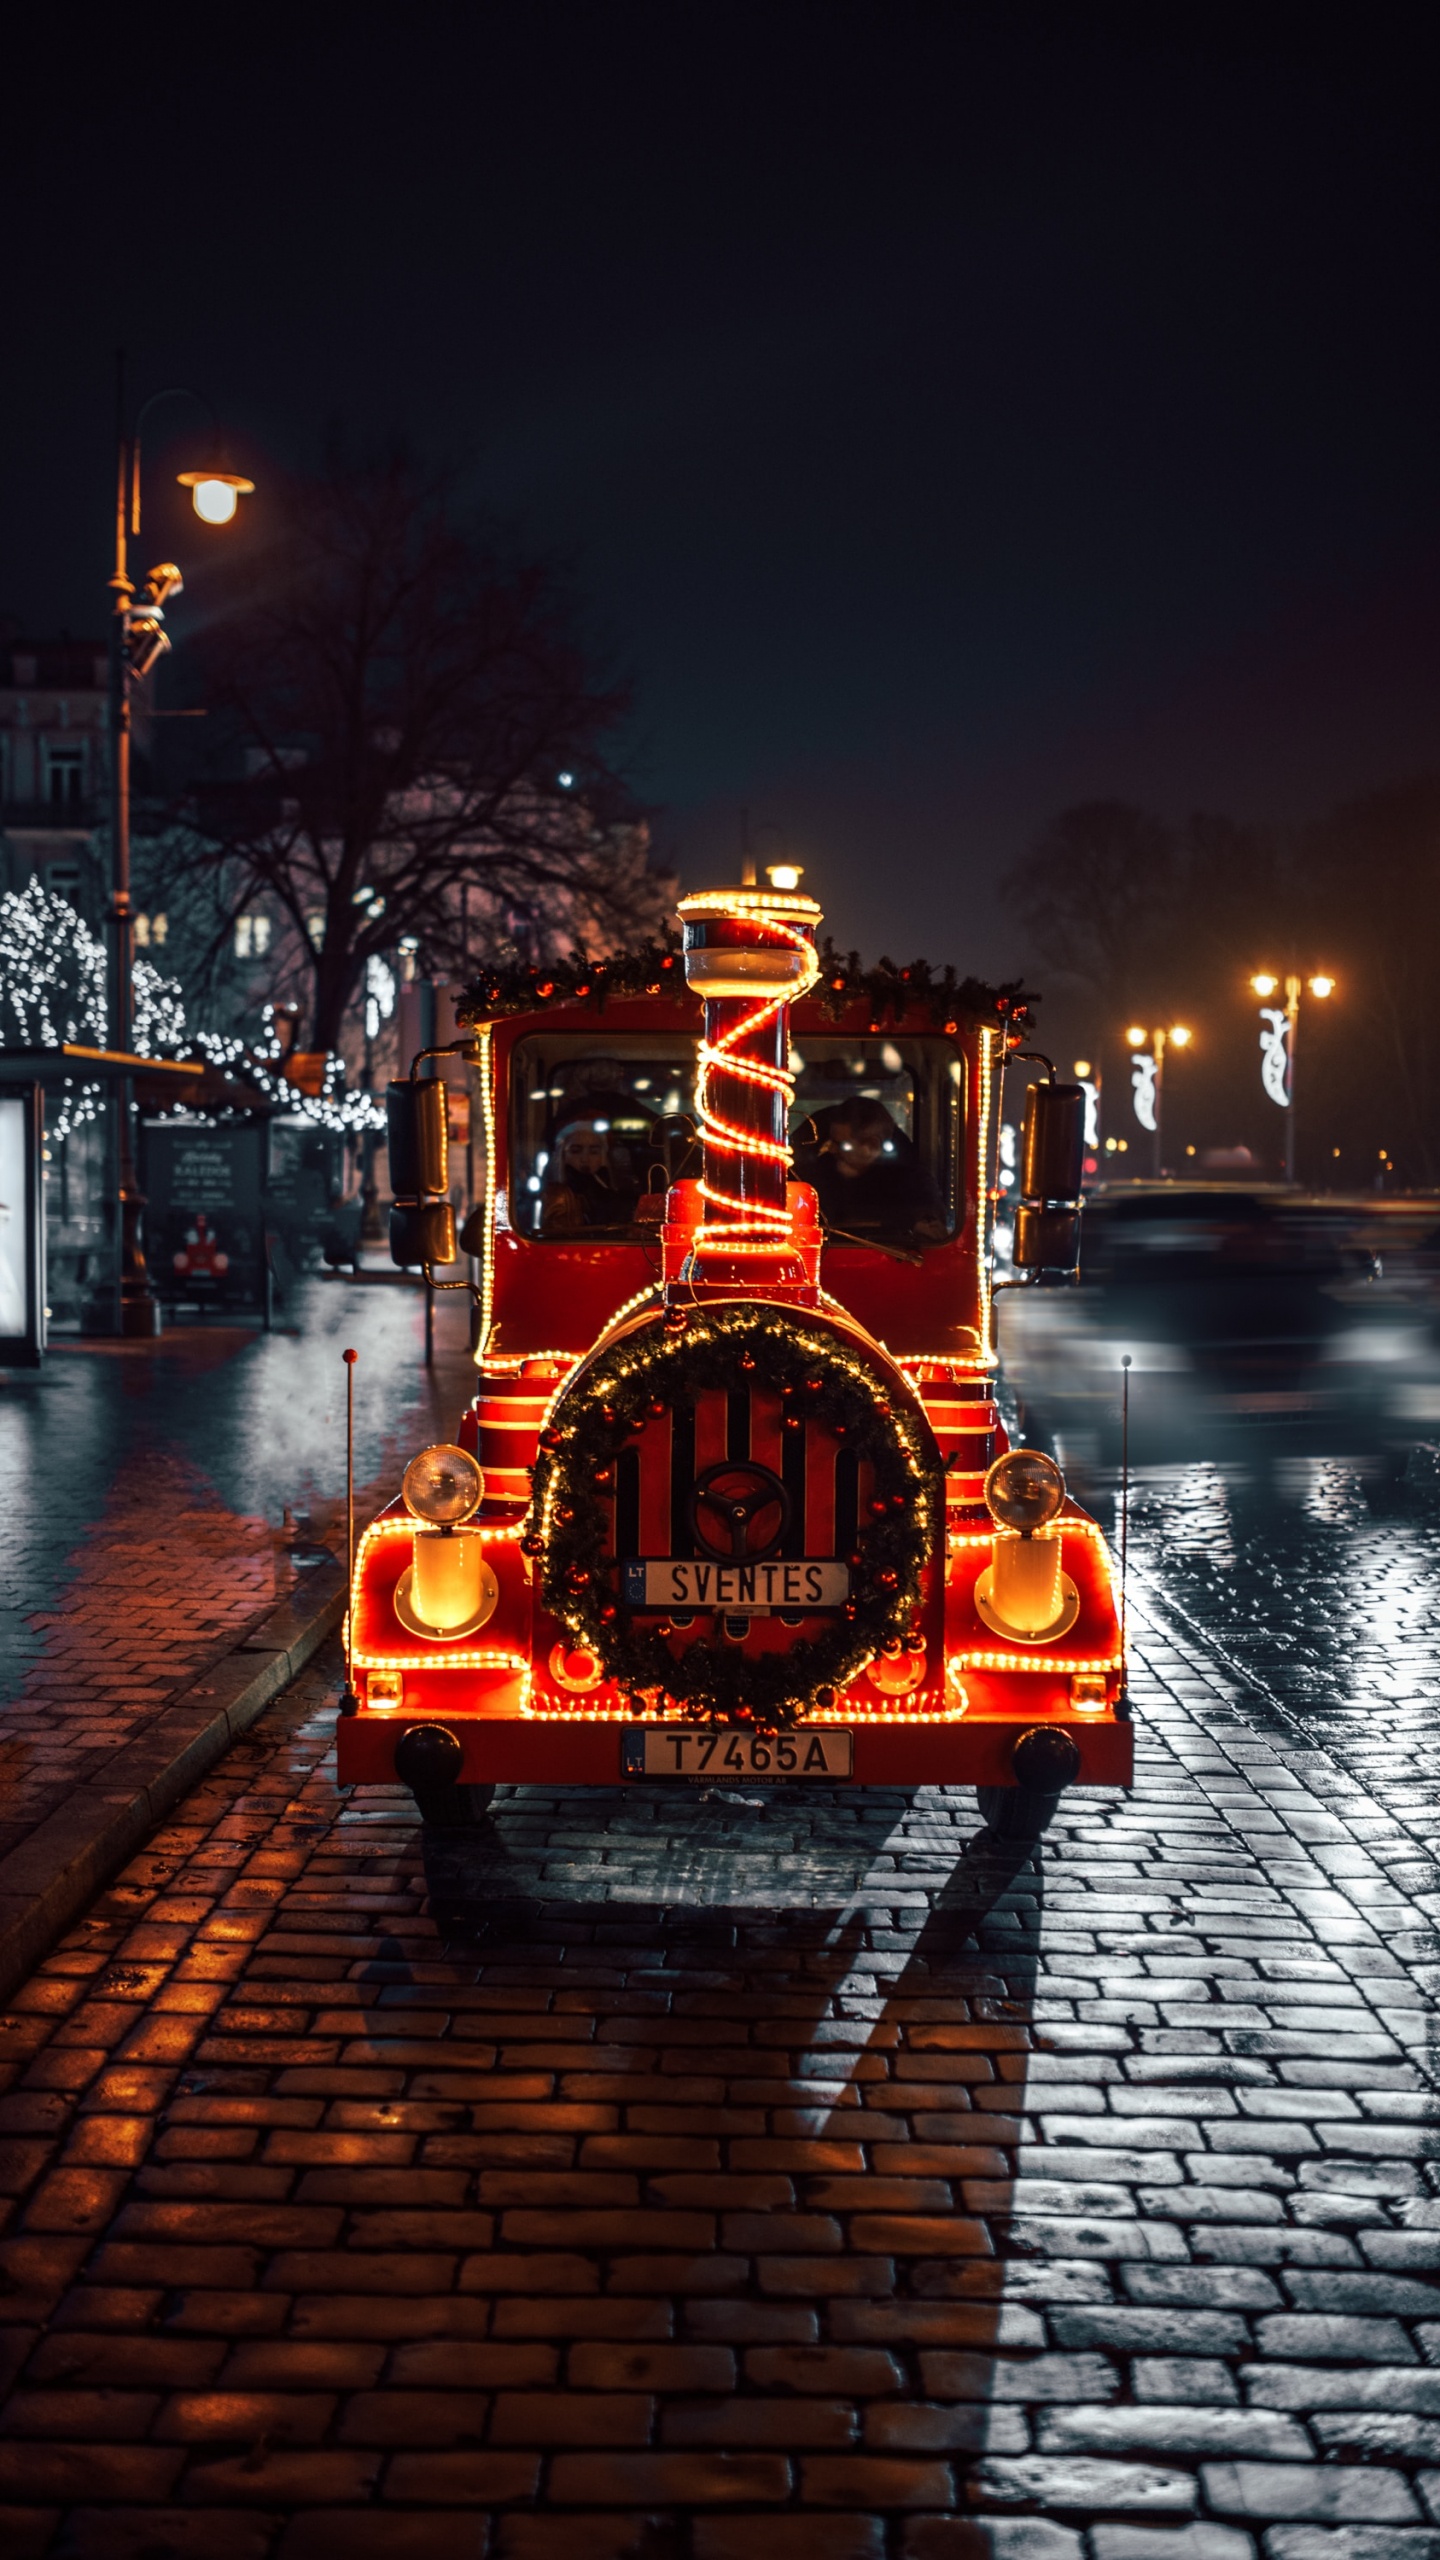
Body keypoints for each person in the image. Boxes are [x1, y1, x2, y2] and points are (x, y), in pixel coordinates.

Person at [804, 1097, 946, 1244]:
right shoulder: (821, 1170)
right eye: (831, 1141)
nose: (832, 1150)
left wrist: (905, 1223)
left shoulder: (913, 1181)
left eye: (842, 1145)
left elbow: (932, 1230)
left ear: (872, 1145)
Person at [540, 1119, 641, 1234]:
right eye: (576, 1151)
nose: (585, 1159)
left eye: (593, 1152)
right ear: (563, 1155)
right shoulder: (559, 1195)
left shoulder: (609, 1189)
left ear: (602, 1157)